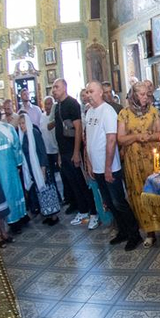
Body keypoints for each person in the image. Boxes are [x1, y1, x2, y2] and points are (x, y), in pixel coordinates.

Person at [84, 82, 142, 251]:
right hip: (96, 167)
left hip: (110, 167)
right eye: (87, 91)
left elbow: (111, 140)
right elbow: (88, 139)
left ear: (100, 92)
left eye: (92, 91)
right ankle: (123, 231)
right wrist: (89, 163)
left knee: (119, 202)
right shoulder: (89, 112)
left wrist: (108, 167)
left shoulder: (107, 111)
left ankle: (134, 234)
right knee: (109, 202)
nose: (88, 94)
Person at [118, 81, 160, 248]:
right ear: (134, 96)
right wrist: (136, 137)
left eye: (147, 94)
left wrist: (147, 136)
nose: (145, 97)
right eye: (141, 95)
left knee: (158, 192)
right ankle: (150, 232)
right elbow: (120, 138)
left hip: (153, 159)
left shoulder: (153, 111)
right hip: (134, 162)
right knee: (140, 193)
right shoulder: (124, 114)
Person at [51, 79, 99, 227]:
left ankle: (93, 213)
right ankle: (83, 211)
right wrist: (59, 154)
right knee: (73, 184)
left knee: (82, 183)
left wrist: (76, 152)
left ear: (64, 88)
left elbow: (78, 128)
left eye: (56, 87)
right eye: (53, 87)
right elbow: (59, 132)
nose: (54, 90)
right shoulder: (57, 106)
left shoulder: (72, 104)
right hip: (64, 152)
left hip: (73, 151)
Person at [0, 107, 27, 232]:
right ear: (1, 116)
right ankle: (21, 216)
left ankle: (11, 220)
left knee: (5, 193)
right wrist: (19, 164)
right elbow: (17, 147)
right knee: (15, 190)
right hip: (11, 166)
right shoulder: (9, 128)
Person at [17, 112, 59, 226]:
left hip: (40, 167)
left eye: (23, 123)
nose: (22, 126)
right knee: (40, 192)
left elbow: (42, 151)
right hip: (32, 168)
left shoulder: (34, 133)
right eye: (20, 124)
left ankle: (54, 215)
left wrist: (43, 168)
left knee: (47, 191)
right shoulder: (24, 136)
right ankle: (47, 213)